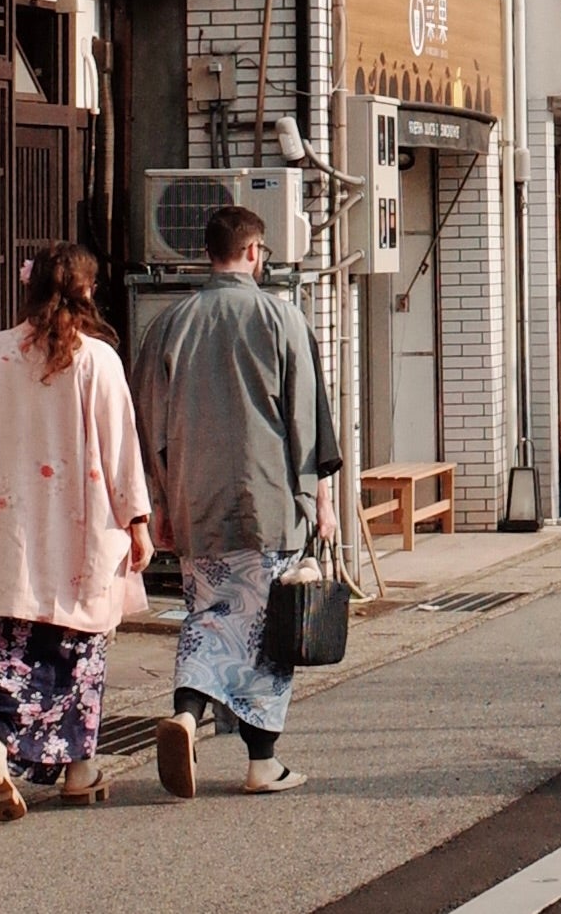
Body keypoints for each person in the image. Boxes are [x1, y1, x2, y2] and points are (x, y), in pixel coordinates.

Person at [0, 242, 153, 821]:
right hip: (81, 540)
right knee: (79, 657)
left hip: (11, 540)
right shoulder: (98, 360)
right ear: (87, 292)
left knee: (13, 659)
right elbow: (121, 450)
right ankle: (79, 771)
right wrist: (137, 522)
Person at [133, 205, 337, 798]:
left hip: (197, 501)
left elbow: (150, 422)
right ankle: (262, 761)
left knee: (209, 618)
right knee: (267, 630)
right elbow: (307, 419)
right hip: (267, 501)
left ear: (207, 253)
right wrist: (315, 499)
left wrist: (160, 502)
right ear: (253, 252)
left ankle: (188, 713)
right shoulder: (281, 318)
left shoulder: (170, 324)